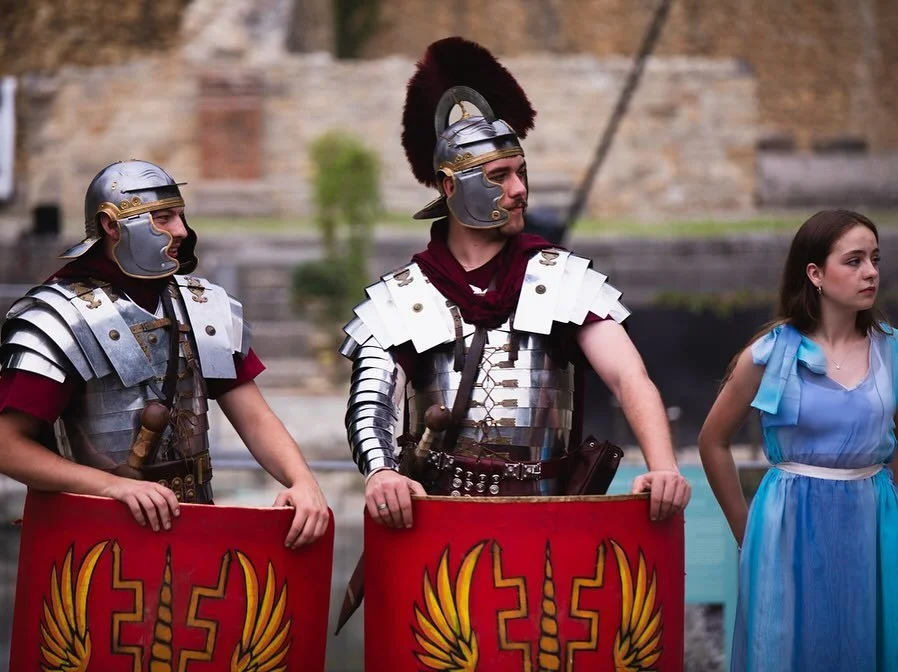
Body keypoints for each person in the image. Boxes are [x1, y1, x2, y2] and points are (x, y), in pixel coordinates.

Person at [339, 37, 691, 527]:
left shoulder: (560, 277)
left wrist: (664, 467)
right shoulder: (405, 295)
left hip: (546, 521)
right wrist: (380, 472)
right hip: (437, 522)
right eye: (500, 175)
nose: (520, 189)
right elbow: (373, 398)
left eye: (521, 173)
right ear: (449, 187)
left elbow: (628, 377)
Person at [0, 160, 328, 548]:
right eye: (163, 218)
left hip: (192, 524)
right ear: (111, 224)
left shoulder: (201, 306)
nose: (181, 231)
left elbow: (254, 417)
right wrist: (111, 486)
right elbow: (7, 446)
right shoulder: (58, 318)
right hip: (90, 539)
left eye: (180, 216)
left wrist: (302, 481)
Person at [698, 210, 898, 671]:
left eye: (875, 258)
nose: (870, 272)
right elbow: (713, 441)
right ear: (815, 274)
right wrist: (748, 534)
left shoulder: (889, 349)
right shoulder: (771, 352)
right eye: (853, 260)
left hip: (873, 521)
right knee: (787, 646)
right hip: (788, 522)